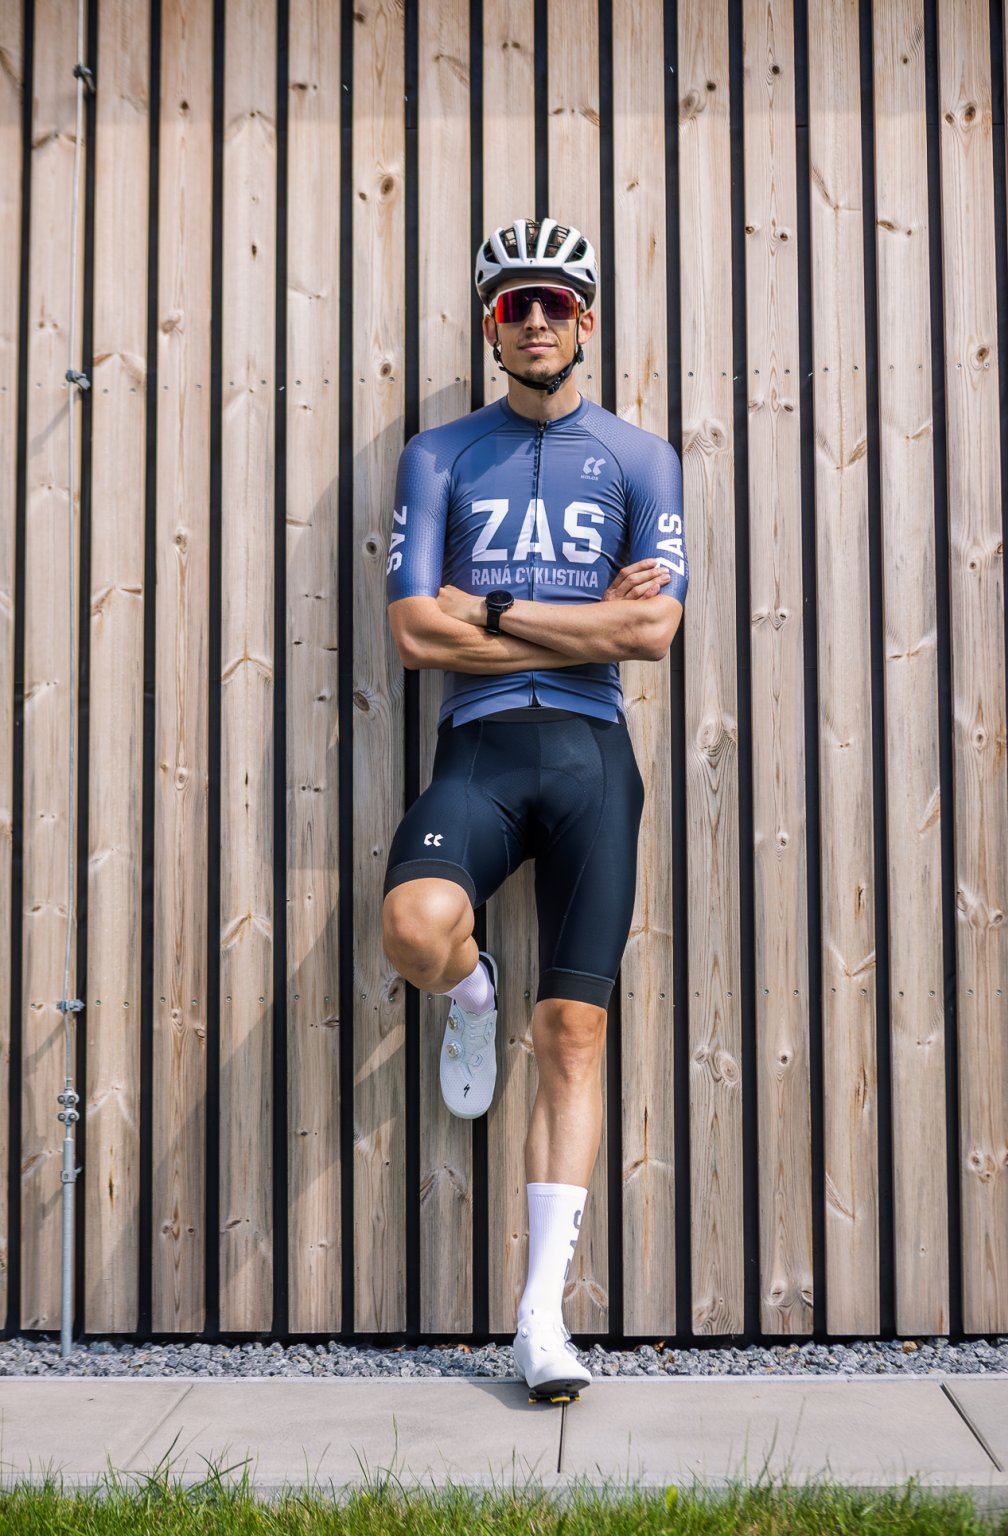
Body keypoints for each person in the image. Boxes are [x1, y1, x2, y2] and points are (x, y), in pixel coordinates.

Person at [381, 217, 688, 1399]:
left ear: (586, 320)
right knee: (413, 929)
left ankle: (538, 1319)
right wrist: (583, 620)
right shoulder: (440, 455)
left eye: (556, 301)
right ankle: (472, 991)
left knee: (572, 1035)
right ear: (492, 327)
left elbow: (651, 631)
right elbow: (415, 631)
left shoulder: (642, 459)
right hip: (480, 749)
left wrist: (497, 609)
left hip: (593, 757)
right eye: (517, 305)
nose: (538, 320)